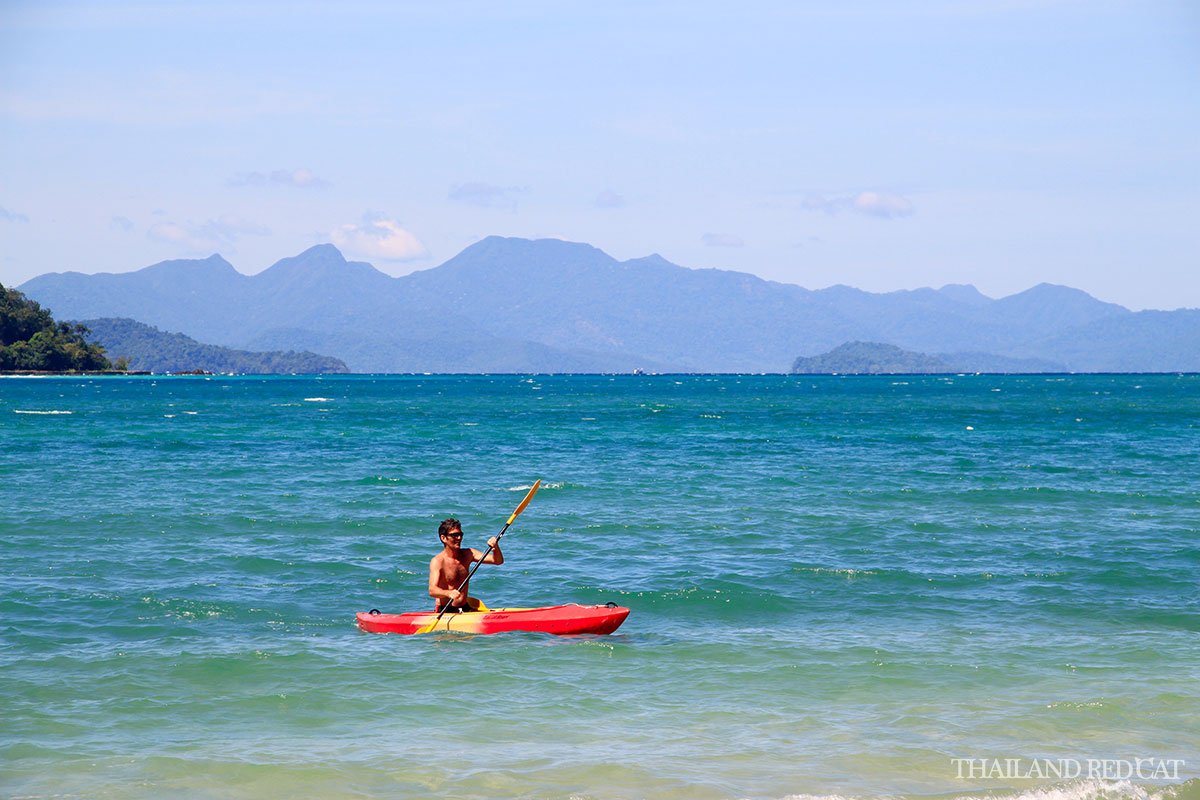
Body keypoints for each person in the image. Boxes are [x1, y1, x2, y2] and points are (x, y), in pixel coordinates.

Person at [428, 517, 503, 612]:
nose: (459, 538)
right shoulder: (438, 561)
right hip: (446, 610)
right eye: (454, 535)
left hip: (465, 607)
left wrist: (495, 547)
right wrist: (448, 593)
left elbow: (498, 561)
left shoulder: (469, 554)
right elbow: (432, 590)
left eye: (460, 534)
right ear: (443, 538)